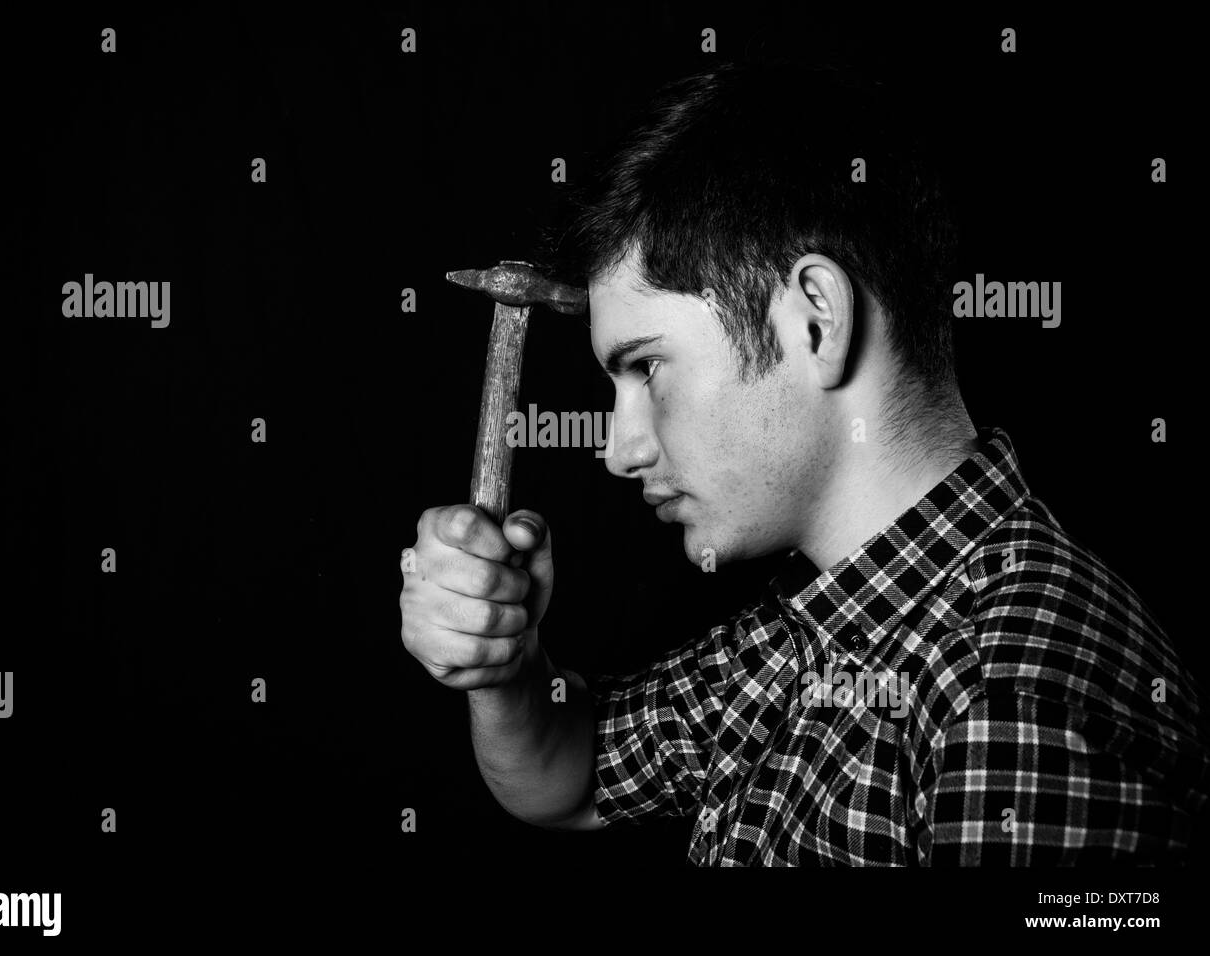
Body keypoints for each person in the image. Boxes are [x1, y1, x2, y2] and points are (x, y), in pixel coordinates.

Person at [398, 61, 1210, 864]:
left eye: (647, 367)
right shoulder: (811, 624)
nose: (617, 450)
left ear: (816, 321)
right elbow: (566, 781)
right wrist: (506, 666)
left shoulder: (1012, 702)